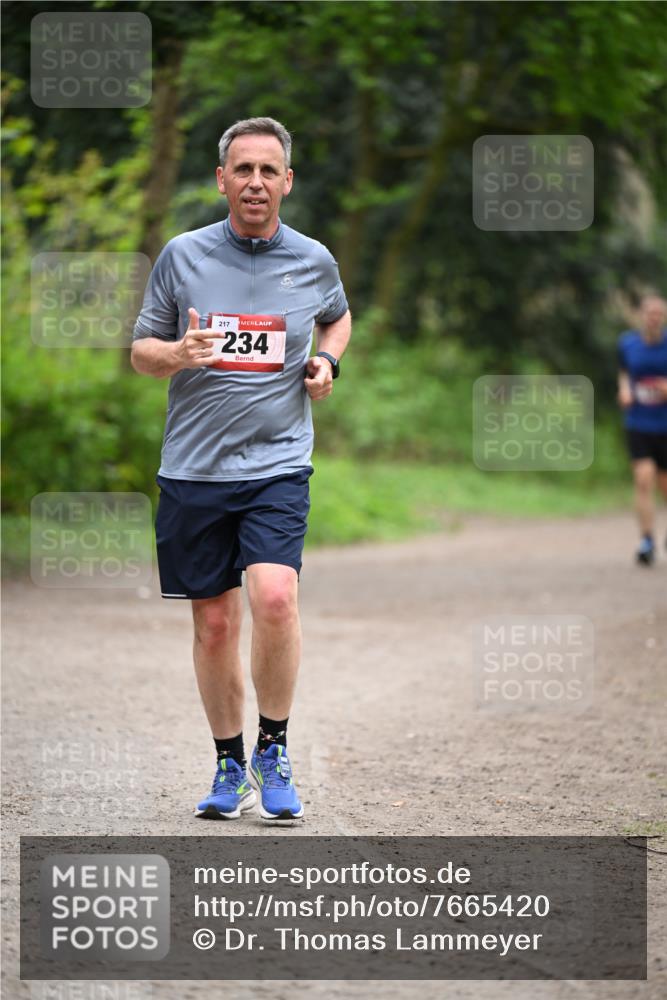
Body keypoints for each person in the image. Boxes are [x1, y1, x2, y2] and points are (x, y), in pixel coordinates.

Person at [131, 117, 351, 819]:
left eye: (269, 170)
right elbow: (141, 351)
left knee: (277, 599)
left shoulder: (313, 258)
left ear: (287, 181)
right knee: (216, 625)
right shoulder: (182, 255)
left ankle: (274, 748)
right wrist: (178, 354)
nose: (256, 182)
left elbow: (337, 320)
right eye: (243, 169)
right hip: (194, 469)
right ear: (221, 179)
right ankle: (228, 764)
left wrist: (326, 362)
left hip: (278, 464)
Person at [617, 294, 667, 566]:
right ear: (641, 315)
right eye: (650, 313)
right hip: (639, 422)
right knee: (643, 479)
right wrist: (624, 389)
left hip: (665, 424)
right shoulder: (627, 344)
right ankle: (646, 540)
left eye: (659, 313)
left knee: (664, 485)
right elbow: (624, 372)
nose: (654, 318)